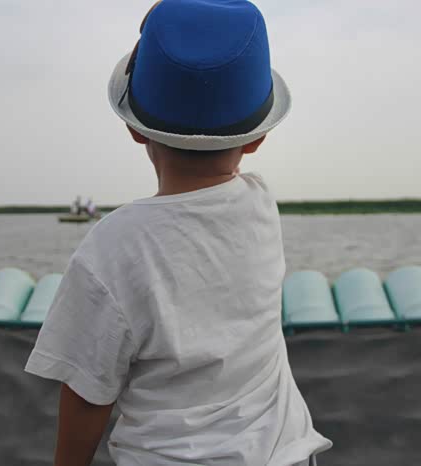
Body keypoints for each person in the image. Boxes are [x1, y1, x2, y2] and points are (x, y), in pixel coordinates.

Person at [25, 1, 333, 465]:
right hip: (285, 454)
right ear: (257, 138)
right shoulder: (260, 205)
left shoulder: (113, 246)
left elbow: (88, 390)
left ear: (134, 129)